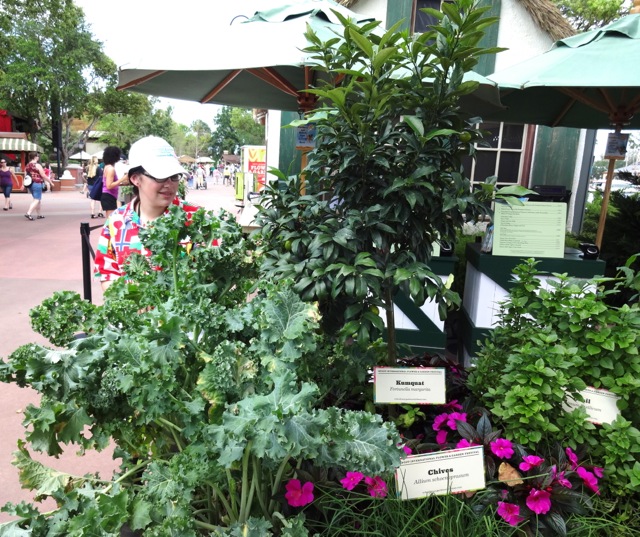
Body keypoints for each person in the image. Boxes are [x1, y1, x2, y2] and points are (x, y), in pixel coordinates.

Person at [94, 136, 203, 291]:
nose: (169, 184)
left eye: (174, 176)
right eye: (160, 176)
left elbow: (211, 276)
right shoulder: (116, 221)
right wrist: (132, 299)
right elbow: (106, 274)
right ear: (135, 179)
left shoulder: (196, 218)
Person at [24, 152, 53, 220]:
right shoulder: (37, 165)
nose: (38, 157)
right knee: (37, 199)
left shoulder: (27, 165)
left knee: (37, 199)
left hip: (30, 184)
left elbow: (25, 175)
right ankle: (28, 213)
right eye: (38, 156)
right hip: (37, 183)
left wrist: (24, 184)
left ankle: (39, 214)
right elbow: (43, 175)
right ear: (35, 157)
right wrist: (50, 182)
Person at [100, 146, 127, 218]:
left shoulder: (107, 167)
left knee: (111, 219)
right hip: (109, 196)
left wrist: (121, 183)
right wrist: (123, 179)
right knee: (110, 220)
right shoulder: (111, 169)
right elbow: (109, 185)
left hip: (109, 196)